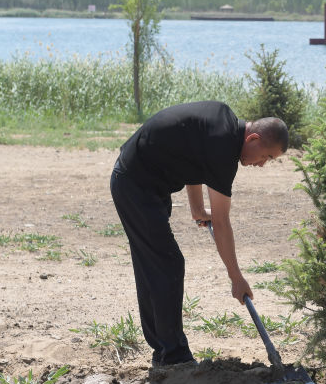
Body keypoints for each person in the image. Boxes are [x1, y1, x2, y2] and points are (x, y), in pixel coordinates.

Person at [110, 101, 288, 367]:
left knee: (154, 264)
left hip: (144, 181)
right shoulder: (224, 148)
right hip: (136, 183)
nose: (262, 164)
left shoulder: (223, 122)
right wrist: (236, 277)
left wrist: (195, 207)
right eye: (267, 157)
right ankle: (173, 357)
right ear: (253, 138)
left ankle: (164, 351)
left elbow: (194, 160)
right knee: (166, 263)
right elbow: (222, 221)